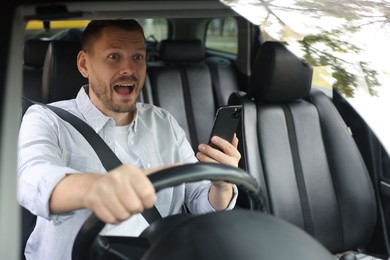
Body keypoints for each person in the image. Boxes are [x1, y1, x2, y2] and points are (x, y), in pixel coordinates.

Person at [17, 19, 240, 259]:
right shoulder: (47, 119)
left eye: (138, 57)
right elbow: (32, 178)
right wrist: (97, 187)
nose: (129, 69)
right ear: (84, 64)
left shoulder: (163, 122)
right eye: (114, 56)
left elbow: (201, 201)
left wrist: (222, 185)